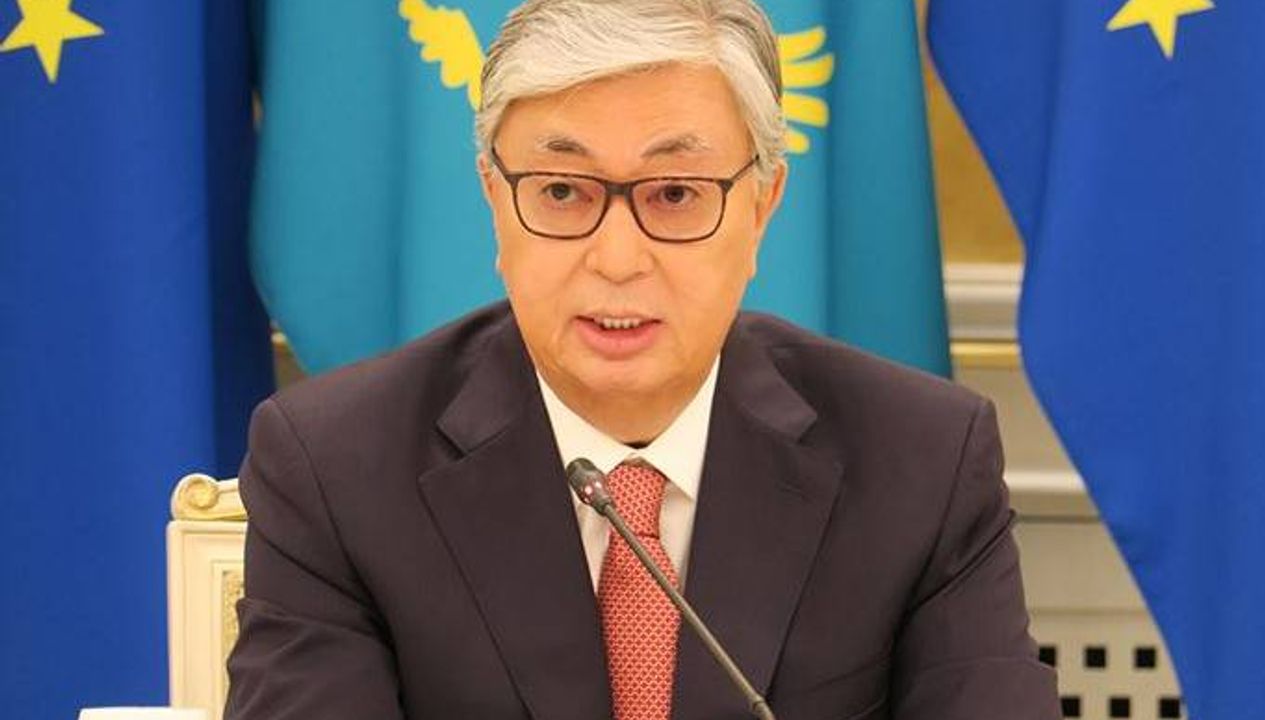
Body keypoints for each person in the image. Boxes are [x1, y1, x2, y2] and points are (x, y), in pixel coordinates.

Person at [224, 1, 1061, 718]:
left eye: (675, 194)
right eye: (561, 191)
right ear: (493, 197)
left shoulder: (922, 461)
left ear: (762, 206)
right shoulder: (338, 468)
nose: (618, 258)